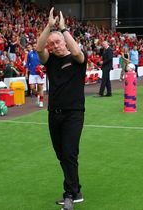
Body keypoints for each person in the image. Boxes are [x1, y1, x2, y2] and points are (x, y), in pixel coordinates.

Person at [36, 8, 87, 210]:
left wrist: (63, 28)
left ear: (65, 41)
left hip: (74, 113)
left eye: (58, 42)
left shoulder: (77, 59)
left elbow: (76, 52)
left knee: (69, 153)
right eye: (52, 43)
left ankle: (69, 194)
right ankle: (76, 191)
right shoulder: (50, 61)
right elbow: (39, 49)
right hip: (54, 114)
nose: (55, 46)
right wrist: (49, 27)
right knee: (62, 155)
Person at [26, 43, 44, 107]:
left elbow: (45, 62)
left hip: (39, 73)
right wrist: (26, 74)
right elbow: (27, 64)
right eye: (33, 46)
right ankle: (38, 95)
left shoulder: (41, 53)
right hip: (32, 73)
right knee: (32, 88)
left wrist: (42, 66)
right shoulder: (29, 54)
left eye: (35, 46)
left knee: (40, 87)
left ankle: (41, 101)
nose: (34, 47)